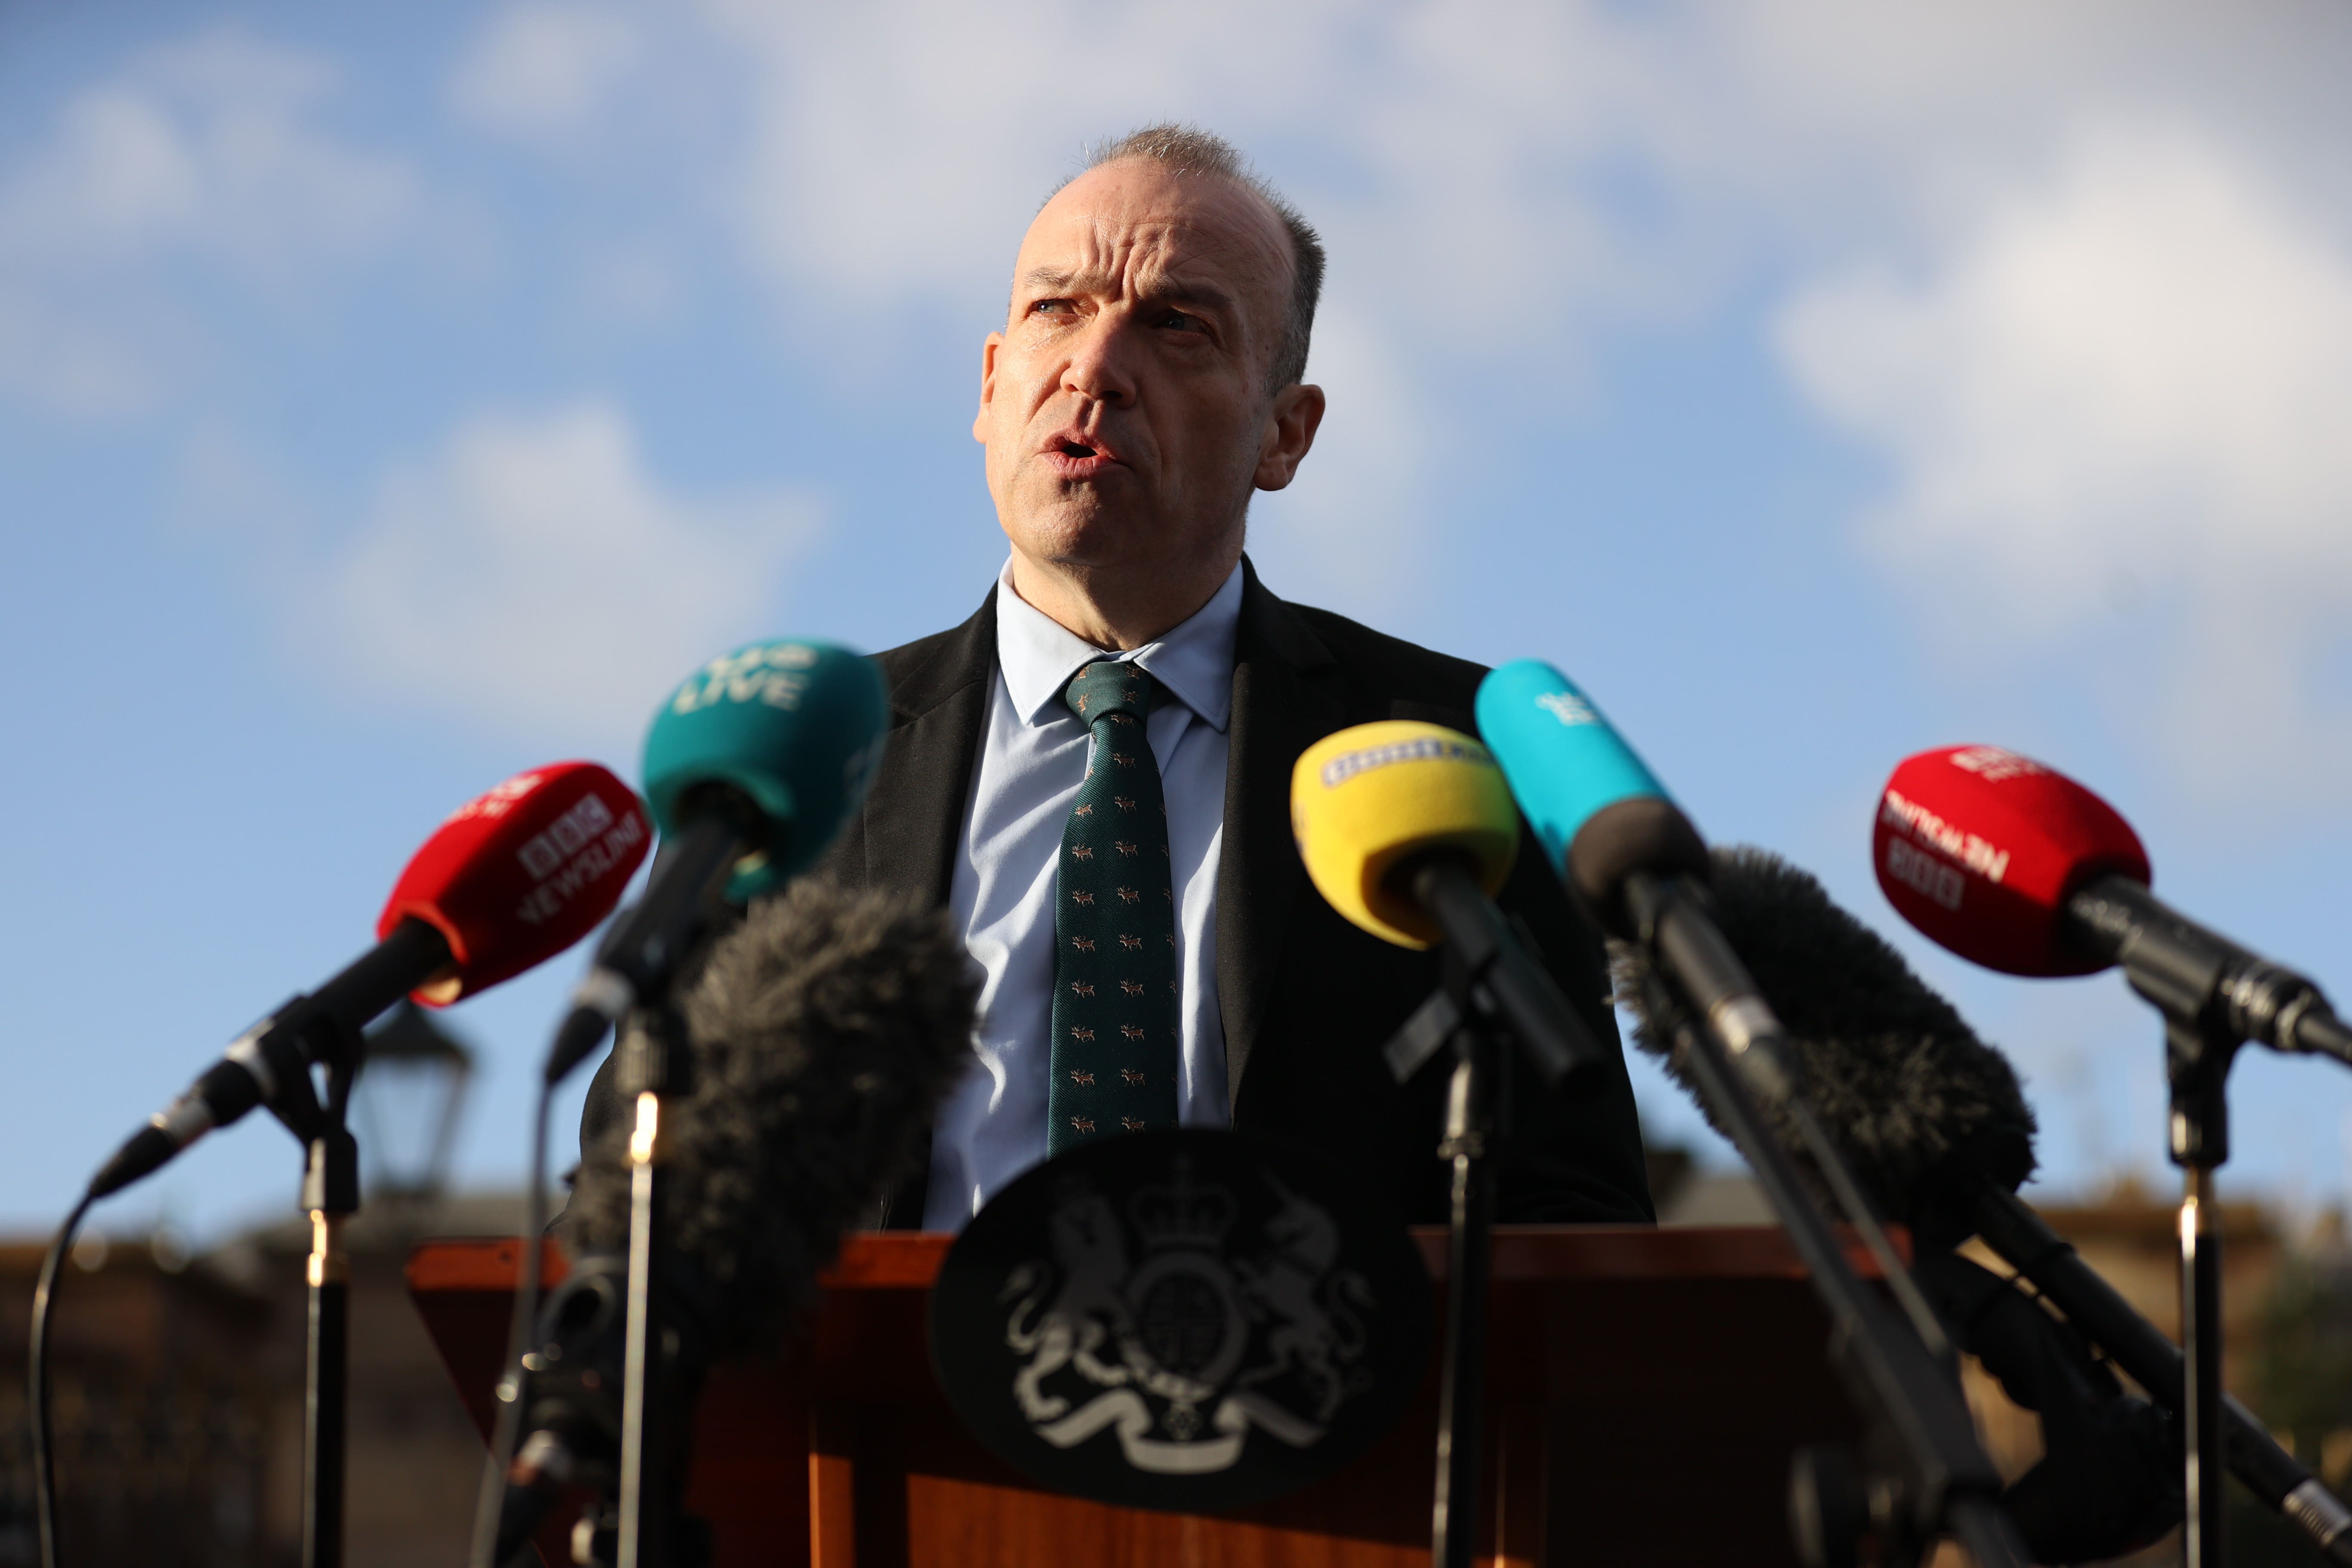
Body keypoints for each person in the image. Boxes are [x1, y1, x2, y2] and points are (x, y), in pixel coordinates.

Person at [822, 124, 1654, 1232]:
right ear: (990, 384)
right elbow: (638, 1200)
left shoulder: (1458, 754)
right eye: (1055, 310)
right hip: (892, 1401)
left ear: (1284, 434)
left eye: (1176, 325)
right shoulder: (811, 761)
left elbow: (1572, 1207)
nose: (1095, 368)